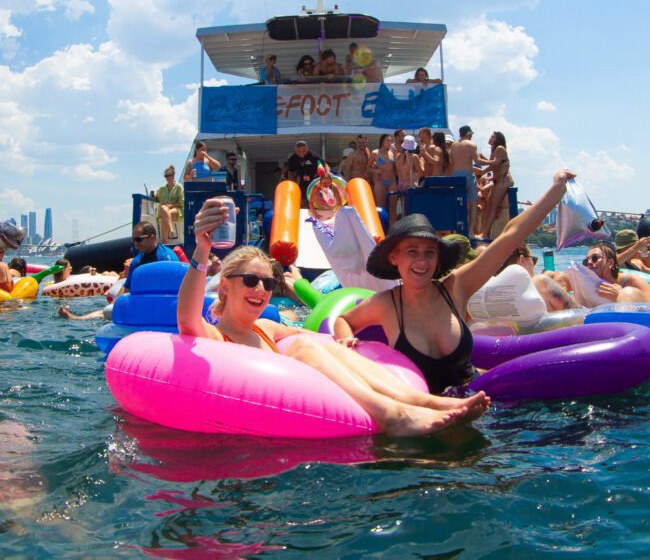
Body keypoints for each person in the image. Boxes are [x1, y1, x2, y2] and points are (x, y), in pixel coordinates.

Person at [177, 198, 489, 437]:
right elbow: (187, 319)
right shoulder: (215, 337)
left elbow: (321, 340)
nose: (261, 289)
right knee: (304, 347)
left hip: (296, 403)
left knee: (322, 344)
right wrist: (202, 250)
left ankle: (422, 401)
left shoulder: (266, 329)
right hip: (248, 420)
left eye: (269, 283)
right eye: (250, 280)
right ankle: (390, 413)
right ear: (226, 287)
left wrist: (343, 339)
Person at [334, 170, 578, 394]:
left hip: (480, 402)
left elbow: (510, 236)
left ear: (438, 258)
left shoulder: (455, 288)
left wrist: (556, 189)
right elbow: (344, 320)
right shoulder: (386, 304)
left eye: (429, 252)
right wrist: (346, 342)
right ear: (394, 257)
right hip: (428, 414)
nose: (422, 261)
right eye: (412, 251)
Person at [497, 244, 579, 312]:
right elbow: (579, 314)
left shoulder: (494, 291)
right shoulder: (540, 282)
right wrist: (555, 286)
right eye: (533, 259)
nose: (534, 265)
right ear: (522, 260)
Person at [118, 222, 179, 296]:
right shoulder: (136, 262)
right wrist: (112, 306)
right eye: (133, 240)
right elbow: (127, 287)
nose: (135, 244)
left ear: (152, 238)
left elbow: (176, 287)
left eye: (138, 239)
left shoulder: (167, 258)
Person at [579, 242, 650, 303]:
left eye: (595, 258)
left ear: (611, 262)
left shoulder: (631, 280)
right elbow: (567, 280)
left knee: (627, 292)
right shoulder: (584, 280)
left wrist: (621, 296)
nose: (589, 262)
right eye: (586, 261)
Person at [475, 132, 513, 240]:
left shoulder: (500, 148)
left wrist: (480, 164)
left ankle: (484, 233)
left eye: (492, 136)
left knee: (493, 207)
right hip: (497, 180)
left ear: (498, 139)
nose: (490, 138)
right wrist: (482, 170)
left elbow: (495, 164)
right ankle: (483, 232)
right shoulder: (494, 150)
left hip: (503, 180)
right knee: (488, 205)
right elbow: (493, 166)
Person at [450, 125, 483, 238]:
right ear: (468, 134)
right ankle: (470, 231)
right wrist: (493, 162)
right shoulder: (471, 144)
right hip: (468, 175)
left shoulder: (453, 146)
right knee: (473, 203)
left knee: (458, 203)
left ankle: (457, 231)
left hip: (456, 175)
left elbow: (453, 162)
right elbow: (477, 160)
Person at [287, 140, 326, 207]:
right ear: (295, 150)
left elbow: (324, 165)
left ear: (307, 148)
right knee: (302, 200)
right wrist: (292, 185)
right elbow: (291, 172)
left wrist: (327, 175)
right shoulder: (293, 158)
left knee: (315, 199)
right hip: (302, 181)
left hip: (314, 180)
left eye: (304, 151)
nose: (302, 153)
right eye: (299, 151)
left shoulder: (313, 155)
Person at [369, 134, 396, 218]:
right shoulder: (375, 153)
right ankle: (381, 227)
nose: (390, 142)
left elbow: (396, 167)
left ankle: (392, 228)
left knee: (392, 207)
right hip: (380, 181)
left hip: (392, 180)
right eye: (388, 140)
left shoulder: (392, 153)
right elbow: (368, 168)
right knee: (381, 207)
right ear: (382, 141)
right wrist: (376, 170)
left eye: (390, 141)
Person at [156, 165, 184, 244]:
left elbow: (181, 202)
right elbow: (156, 195)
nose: (167, 177)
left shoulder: (179, 187)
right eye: (166, 176)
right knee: (164, 210)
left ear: (173, 175)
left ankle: (164, 241)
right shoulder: (162, 189)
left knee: (165, 214)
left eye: (169, 175)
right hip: (165, 210)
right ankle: (171, 230)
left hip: (177, 209)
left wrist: (171, 206)